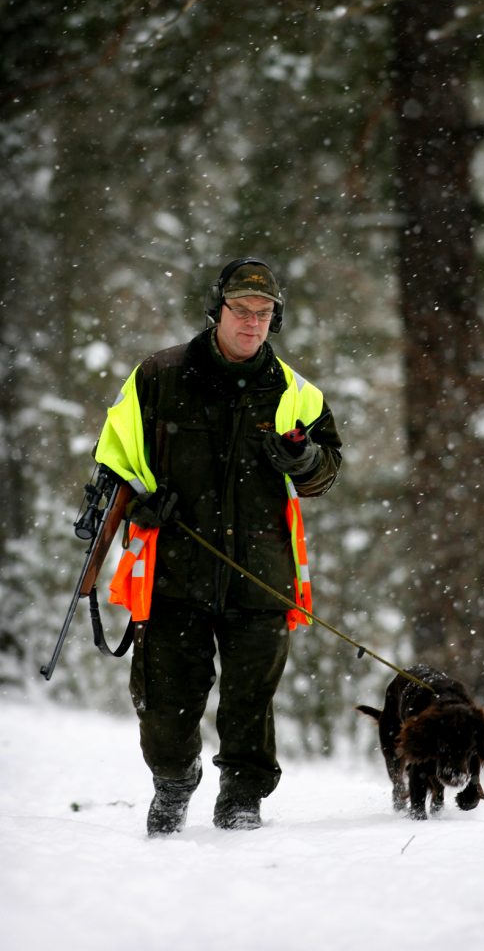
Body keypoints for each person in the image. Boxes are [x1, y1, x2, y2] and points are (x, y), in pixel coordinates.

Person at [94, 257, 342, 835]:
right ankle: (175, 781)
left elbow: (326, 472)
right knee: (164, 707)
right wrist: (138, 500)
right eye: (241, 310)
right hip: (174, 574)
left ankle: (242, 801)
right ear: (217, 310)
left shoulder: (295, 392)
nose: (252, 322)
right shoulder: (158, 376)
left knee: (249, 706)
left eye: (264, 313)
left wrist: (304, 460)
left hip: (261, 575)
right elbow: (113, 458)